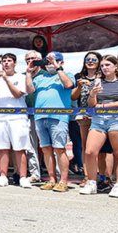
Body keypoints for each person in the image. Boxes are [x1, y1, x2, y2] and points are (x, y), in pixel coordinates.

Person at [26, 51, 74, 192]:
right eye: (48, 61)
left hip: (58, 117)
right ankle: (52, 179)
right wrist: (29, 73)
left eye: (53, 61)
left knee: (59, 149)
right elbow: (29, 90)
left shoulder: (66, 74)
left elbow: (68, 85)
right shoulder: (41, 77)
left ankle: (63, 181)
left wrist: (57, 67)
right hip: (40, 117)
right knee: (46, 149)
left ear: (61, 62)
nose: (50, 64)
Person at [0, 53, 33, 188]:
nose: (5, 63)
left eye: (9, 61)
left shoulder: (21, 77)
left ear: (15, 63)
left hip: (17, 117)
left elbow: (18, 94)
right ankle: (3, 176)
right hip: (0, 117)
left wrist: (6, 79)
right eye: (4, 61)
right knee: (2, 148)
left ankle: (23, 176)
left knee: (20, 147)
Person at [81, 55, 118, 197]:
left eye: (108, 65)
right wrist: (92, 94)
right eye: (102, 65)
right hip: (98, 119)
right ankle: (92, 183)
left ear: (116, 66)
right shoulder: (98, 83)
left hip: (117, 118)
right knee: (90, 151)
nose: (104, 68)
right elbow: (92, 105)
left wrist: (104, 105)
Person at [72, 52, 102, 183]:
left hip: (100, 114)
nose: (90, 61)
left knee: (101, 148)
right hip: (83, 114)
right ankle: (87, 176)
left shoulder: (103, 76)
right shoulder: (79, 76)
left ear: (99, 61)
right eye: (87, 59)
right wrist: (79, 86)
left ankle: (102, 175)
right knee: (85, 146)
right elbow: (73, 97)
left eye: (93, 59)